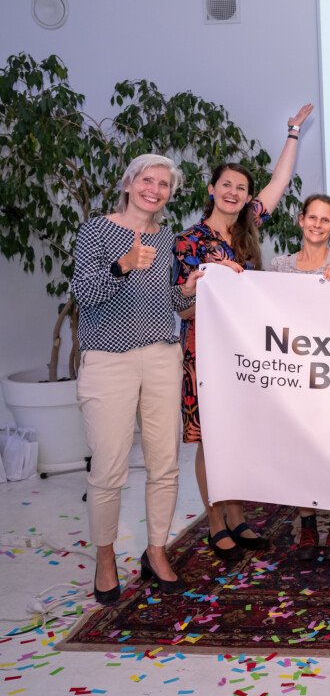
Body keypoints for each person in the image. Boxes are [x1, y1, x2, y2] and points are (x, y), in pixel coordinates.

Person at [175, 104, 313, 562]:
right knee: (211, 438)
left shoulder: (249, 229)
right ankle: (215, 522)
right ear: (211, 189)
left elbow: (279, 184)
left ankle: (236, 517)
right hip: (204, 351)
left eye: (242, 188)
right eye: (226, 185)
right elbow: (183, 306)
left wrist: (293, 131)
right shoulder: (189, 241)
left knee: (236, 434)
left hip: (243, 352)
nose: (234, 193)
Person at [72, 154, 209, 603]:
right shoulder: (96, 229)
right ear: (129, 183)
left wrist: (187, 290)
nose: (155, 189)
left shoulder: (165, 235)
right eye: (147, 180)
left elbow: (164, 297)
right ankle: (106, 558)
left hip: (160, 357)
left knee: (165, 465)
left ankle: (156, 551)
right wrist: (122, 264)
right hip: (108, 360)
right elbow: (85, 294)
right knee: (109, 468)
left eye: (164, 184)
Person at [268, 195, 330, 559]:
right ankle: (307, 526)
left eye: (326, 220)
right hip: (297, 374)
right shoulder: (279, 266)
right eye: (312, 218)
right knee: (302, 449)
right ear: (301, 219)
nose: (318, 225)